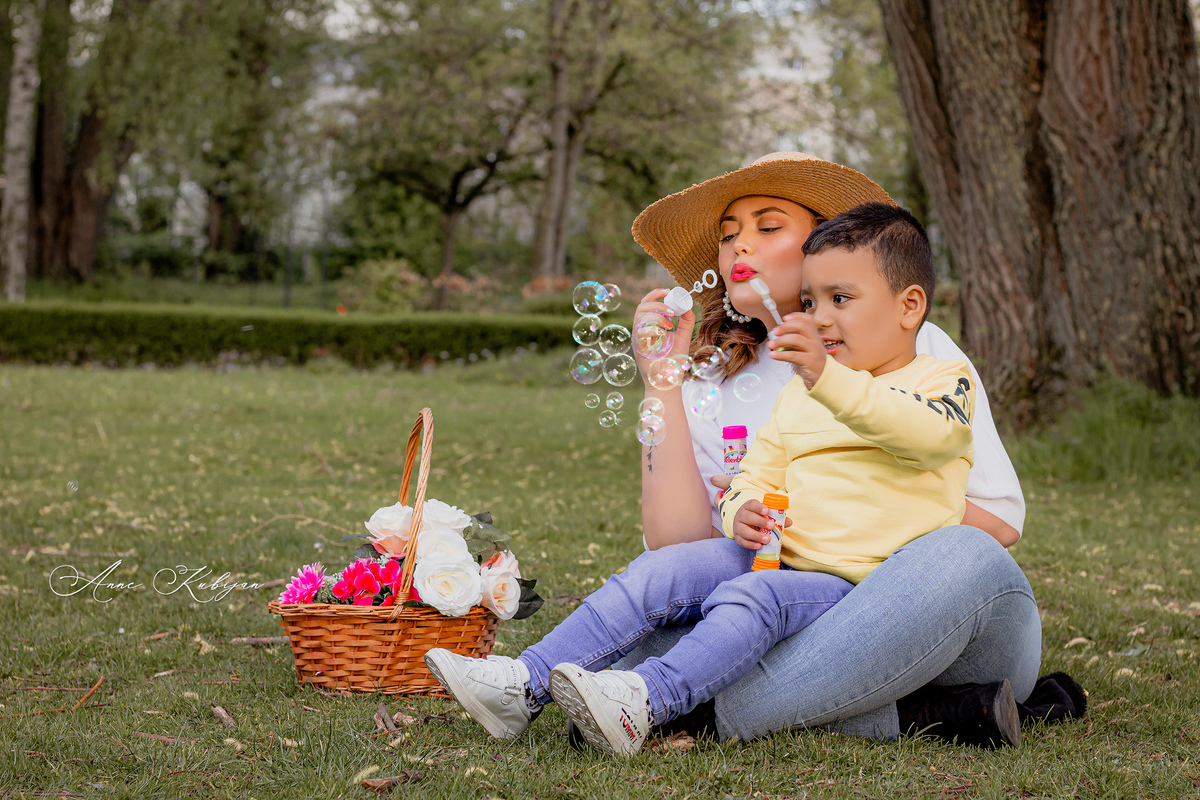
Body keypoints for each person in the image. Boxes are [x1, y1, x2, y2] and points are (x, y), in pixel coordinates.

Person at [616, 152, 1057, 745]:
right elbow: (677, 547)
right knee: (654, 617)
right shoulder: (708, 379)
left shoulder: (912, 342)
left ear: (825, 246)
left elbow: (999, 523)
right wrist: (661, 383)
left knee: (965, 556)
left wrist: (830, 502)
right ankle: (925, 714)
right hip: (777, 610)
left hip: (930, 618)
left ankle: (691, 712)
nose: (739, 248)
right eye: (728, 237)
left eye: (768, 228)